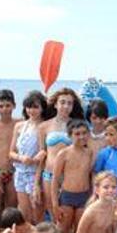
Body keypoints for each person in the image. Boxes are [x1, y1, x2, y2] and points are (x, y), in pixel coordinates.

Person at [38, 88, 85, 222]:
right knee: (52, 212)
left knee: (67, 217)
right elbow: (42, 155)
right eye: (62, 102)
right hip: (48, 174)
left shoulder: (77, 126)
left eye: (69, 103)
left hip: (69, 176)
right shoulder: (44, 126)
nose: (66, 106)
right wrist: (36, 183)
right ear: (55, 104)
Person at [51, 119, 95, 233]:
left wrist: (93, 197)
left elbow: (91, 176)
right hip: (67, 197)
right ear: (70, 136)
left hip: (84, 197)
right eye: (77, 134)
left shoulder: (89, 153)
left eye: (84, 133)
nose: (81, 137)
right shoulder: (63, 154)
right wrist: (55, 204)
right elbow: (55, 179)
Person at [10, 91, 46, 224]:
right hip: (20, 173)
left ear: (42, 108)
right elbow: (11, 152)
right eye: (29, 107)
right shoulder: (19, 126)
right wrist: (21, 158)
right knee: (25, 215)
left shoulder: (44, 127)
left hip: (35, 173)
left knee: (38, 215)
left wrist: (37, 183)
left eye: (36, 107)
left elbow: (43, 154)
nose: (32, 110)